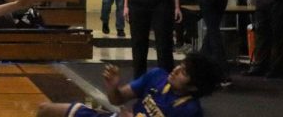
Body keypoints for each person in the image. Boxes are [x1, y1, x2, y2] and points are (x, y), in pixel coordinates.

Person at [36, 52, 221, 117]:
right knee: (45, 110)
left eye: (184, 72)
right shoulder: (157, 76)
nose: (176, 70)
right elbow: (117, 99)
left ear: (194, 86)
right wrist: (112, 86)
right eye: (180, 65)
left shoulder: (190, 111)